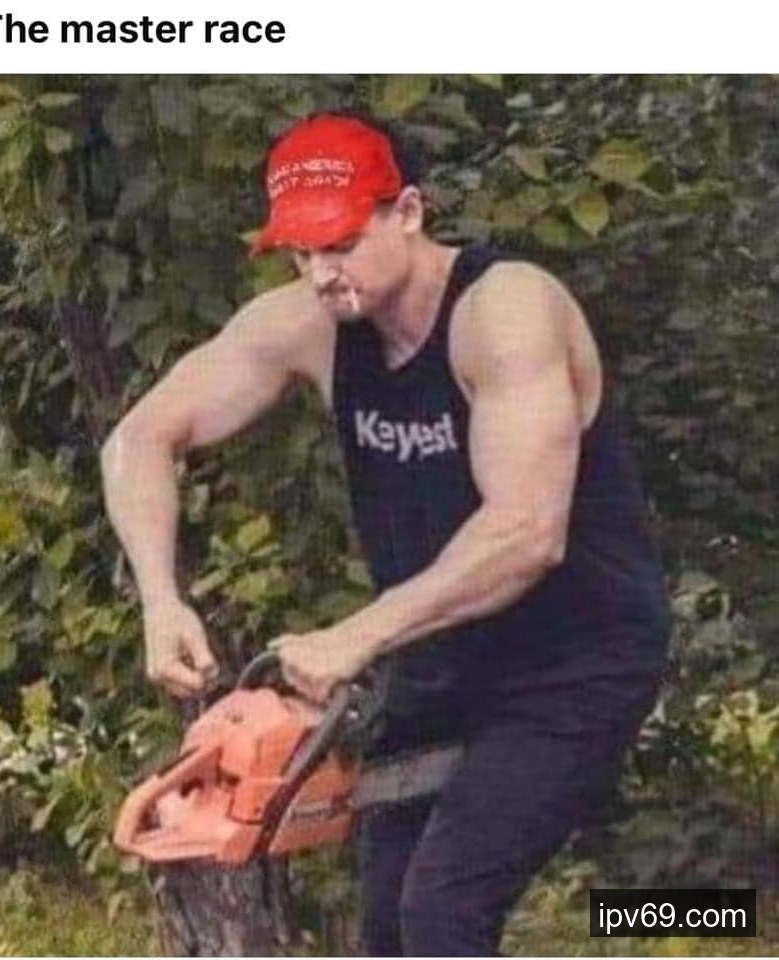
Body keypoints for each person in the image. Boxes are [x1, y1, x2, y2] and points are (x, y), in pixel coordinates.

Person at [100, 112, 670, 956]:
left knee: (442, 911)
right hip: (443, 659)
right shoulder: (308, 324)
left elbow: (526, 532)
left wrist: (355, 636)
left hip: (577, 661)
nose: (321, 274)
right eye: (300, 253)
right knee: (388, 927)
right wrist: (159, 599)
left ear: (407, 211)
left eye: (340, 244)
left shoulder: (505, 311)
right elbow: (139, 439)